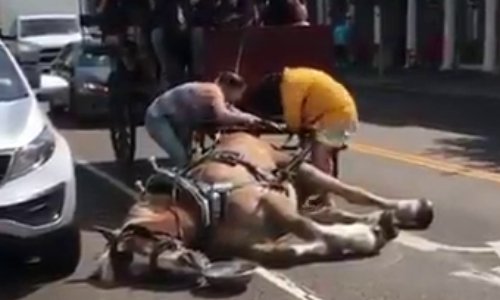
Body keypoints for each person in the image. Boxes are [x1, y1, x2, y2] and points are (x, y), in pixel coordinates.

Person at [245, 67, 358, 176]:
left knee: (320, 155)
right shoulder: (295, 77)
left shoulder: (290, 85)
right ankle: (322, 181)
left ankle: (322, 187)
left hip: (337, 116)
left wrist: (293, 127)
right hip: (338, 112)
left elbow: (292, 115)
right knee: (318, 150)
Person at [144, 71, 262, 168]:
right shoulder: (214, 92)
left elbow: (231, 109)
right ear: (229, 87)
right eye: (239, 93)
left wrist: (251, 118)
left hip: (174, 119)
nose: (239, 97)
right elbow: (223, 115)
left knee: (187, 158)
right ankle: (168, 187)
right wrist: (246, 118)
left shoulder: (211, 90)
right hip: (158, 118)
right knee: (180, 157)